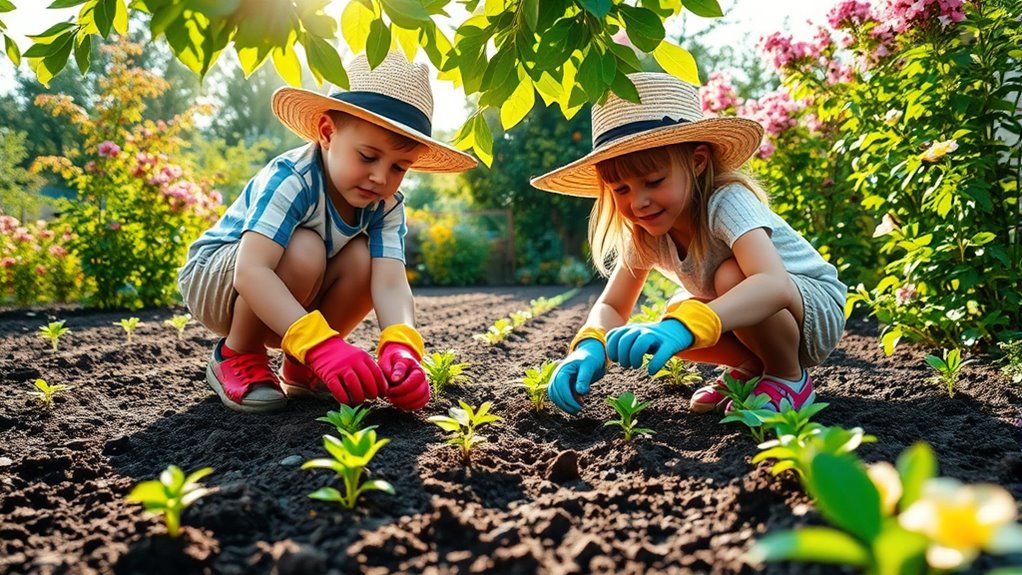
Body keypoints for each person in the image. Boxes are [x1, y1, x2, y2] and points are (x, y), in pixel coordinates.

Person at [531, 72, 847, 416]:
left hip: (812, 313)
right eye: (620, 189)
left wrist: (687, 325)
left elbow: (774, 284)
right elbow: (613, 306)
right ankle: (752, 368)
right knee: (674, 314)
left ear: (697, 162)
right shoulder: (645, 232)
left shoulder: (727, 202)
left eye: (654, 181)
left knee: (723, 280)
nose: (638, 202)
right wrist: (590, 346)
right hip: (761, 313)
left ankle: (787, 376)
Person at [177, 52, 476, 413]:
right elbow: (251, 271)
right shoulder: (293, 178)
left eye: (399, 167)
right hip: (220, 279)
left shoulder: (387, 204)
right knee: (305, 248)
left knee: (367, 259)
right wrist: (322, 344)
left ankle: (301, 366)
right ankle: (237, 352)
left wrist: (402, 346)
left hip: (287, 289)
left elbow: (391, 283)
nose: (381, 178)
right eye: (367, 156)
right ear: (327, 133)